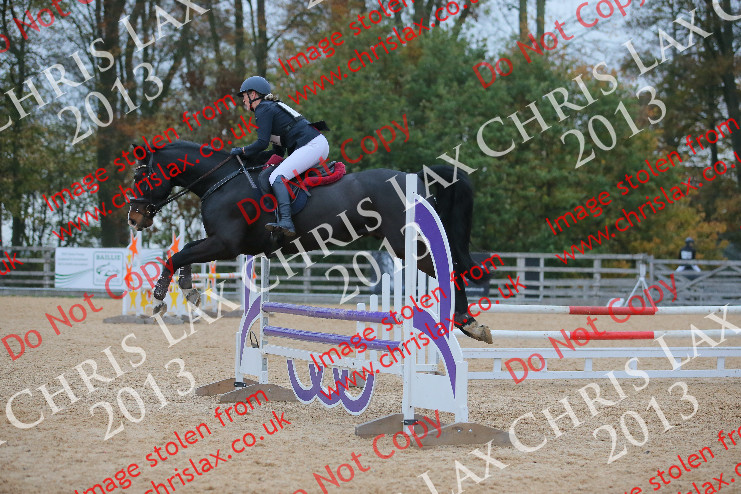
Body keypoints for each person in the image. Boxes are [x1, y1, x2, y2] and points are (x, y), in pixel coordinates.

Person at [231, 76, 329, 237]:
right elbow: (278, 153)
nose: (243, 100)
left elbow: (262, 143)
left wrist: (242, 151)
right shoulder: (271, 109)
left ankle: (286, 221)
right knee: (282, 175)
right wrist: (251, 158)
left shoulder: (263, 109)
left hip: (312, 145)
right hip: (315, 145)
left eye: (244, 96)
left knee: (277, 177)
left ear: (253, 94)